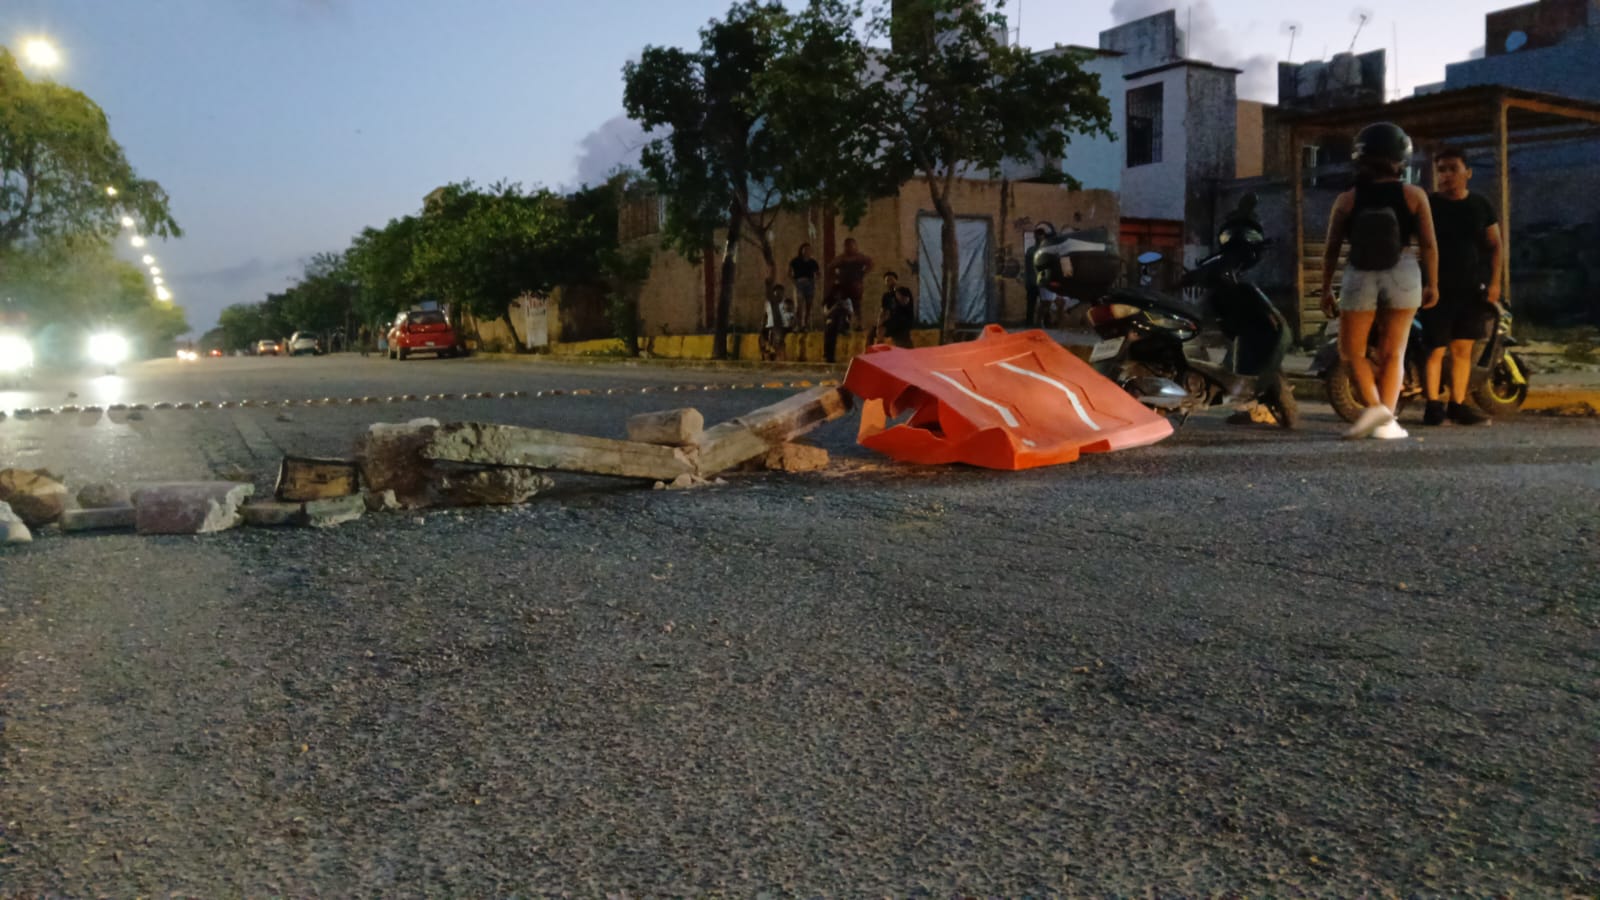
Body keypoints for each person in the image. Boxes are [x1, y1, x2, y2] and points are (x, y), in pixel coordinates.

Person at [1319, 122, 1439, 441]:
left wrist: (1327, 288)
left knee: (1351, 352)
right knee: (1394, 352)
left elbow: (1332, 249)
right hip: (1404, 271)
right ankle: (1386, 420)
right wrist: (1433, 283)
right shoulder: (1414, 195)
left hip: (1360, 273)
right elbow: (1428, 245)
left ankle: (1376, 409)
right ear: (1400, 158)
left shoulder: (1347, 199)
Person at [1421, 147, 1500, 426]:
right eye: (1441, 170)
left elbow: (1495, 245)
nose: (1446, 175)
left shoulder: (1480, 205)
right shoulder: (1429, 204)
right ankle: (1432, 406)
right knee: (1435, 348)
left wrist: (1495, 283)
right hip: (1435, 288)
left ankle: (1457, 404)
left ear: (1468, 172)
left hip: (1470, 288)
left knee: (1463, 349)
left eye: (1453, 168)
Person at [828, 238, 873, 315]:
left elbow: (870, 263)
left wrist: (863, 273)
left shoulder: (859, 257)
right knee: (844, 304)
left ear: (855, 246)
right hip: (843, 284)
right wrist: (837, 276)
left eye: (851, 245)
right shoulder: (842, 258)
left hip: (856, 284)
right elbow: (830, 266)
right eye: (848, 246)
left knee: (856, 305)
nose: (849, 248)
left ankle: (858, 320)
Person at [788, 243, 820, 331]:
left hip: (810, 284)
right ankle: (798, 325)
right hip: (799, 284)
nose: (807, 251)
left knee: (809, 305)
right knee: (799, 305)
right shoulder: (795, 261)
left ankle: (805, 324)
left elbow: (818, 274)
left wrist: (815, 280)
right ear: (801, 250)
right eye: (805, 249)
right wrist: (794, 281)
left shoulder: (813, 262)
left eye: (809, 249)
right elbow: (789, 273)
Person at [821, 282, 854, 364]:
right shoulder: (828, 301)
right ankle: (828, 355)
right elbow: (826, 314)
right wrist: (834, 307)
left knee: (841, 313)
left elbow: (851, 313)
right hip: (831, 321)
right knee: (830, 330)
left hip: (844, 321)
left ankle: (841, 328)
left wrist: (843, 306)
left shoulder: (847, 300)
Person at [1024, 225, 1049, 326]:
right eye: (1039, 235)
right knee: (1036, 303)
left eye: (1041, 235)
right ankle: (1032, 323)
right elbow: (1028, 268)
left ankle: (1041, 322)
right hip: (1035, 282)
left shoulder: (1035, 250)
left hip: (1040, 282)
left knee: (1045, 303)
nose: (1040, 237)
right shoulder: (1033, 251)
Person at [870, 271, 900, 344]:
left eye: (891, 279)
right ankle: (875, 349)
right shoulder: (886, 296)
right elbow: (883, 311)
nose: (889, 282)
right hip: (890, 322)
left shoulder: (901, 292)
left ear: (896, 280)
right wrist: (879, 324)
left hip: (900, 321)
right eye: (887, 280)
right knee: (872, 332)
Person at [762, 284, 789, 361]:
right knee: (764, 336)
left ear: (783, 293)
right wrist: (763, 324)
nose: (778, 296)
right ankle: (768, 353)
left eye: (780, 293)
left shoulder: (785, 304)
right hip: (769, 326)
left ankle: (777, 353)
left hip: (781, 326)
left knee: (776, 335)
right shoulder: (768, 303)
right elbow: (765, 315)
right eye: (776, 294)